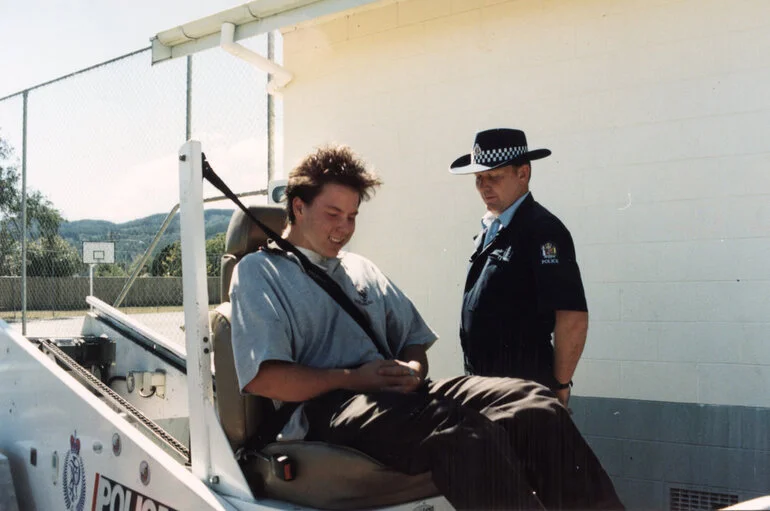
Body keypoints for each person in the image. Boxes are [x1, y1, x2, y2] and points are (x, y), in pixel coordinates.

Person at [230, 145, 622, 510]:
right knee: (462, 436)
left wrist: (413, 371)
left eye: (352, 217)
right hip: (329, 410)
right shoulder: (260, 273)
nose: (345, 228)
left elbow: (414, 342)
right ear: (298, 207)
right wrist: (354, 378)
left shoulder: (359, 268)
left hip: (396, 396)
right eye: (333, 214)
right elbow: (266, 380)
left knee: (534, 402)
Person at [450, 128, 589, 407]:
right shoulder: (494, 227)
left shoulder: (542, 230)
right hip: (487, 391)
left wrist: (559, 388)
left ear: (523, 173)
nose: (484, 187)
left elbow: (572, 317)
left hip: (523, 395)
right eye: (479, 179)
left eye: (494, 177)